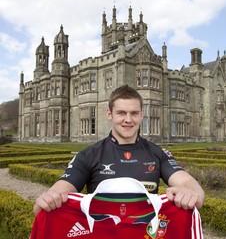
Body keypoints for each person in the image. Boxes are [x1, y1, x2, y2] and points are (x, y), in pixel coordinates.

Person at [33, 85, 205, 216]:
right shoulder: (88, 155)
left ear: (142, 114)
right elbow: (53, 197)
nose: (128, 120)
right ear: (110, 114)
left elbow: (190, 185)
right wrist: (49, 199)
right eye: (121, 113)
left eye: (134, 113)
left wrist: (189, 192)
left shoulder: (157, 153)